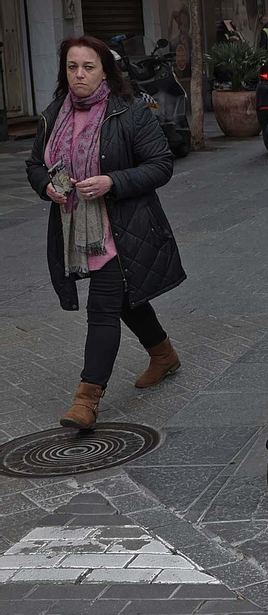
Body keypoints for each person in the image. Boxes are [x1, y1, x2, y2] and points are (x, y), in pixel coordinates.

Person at [27, 37, 187, 429]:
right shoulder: (53, 114)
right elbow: (34, 164)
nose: (79, 75)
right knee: (125, 299)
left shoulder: (129, 113)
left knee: (103, 306)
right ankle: (163, 354)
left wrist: (112, 181)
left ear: (105, 71)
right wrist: (44, 186)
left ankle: (86, 400)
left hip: (122, 228)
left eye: (88, 67)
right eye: (71, 67)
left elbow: (161, 164)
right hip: (74, 227)